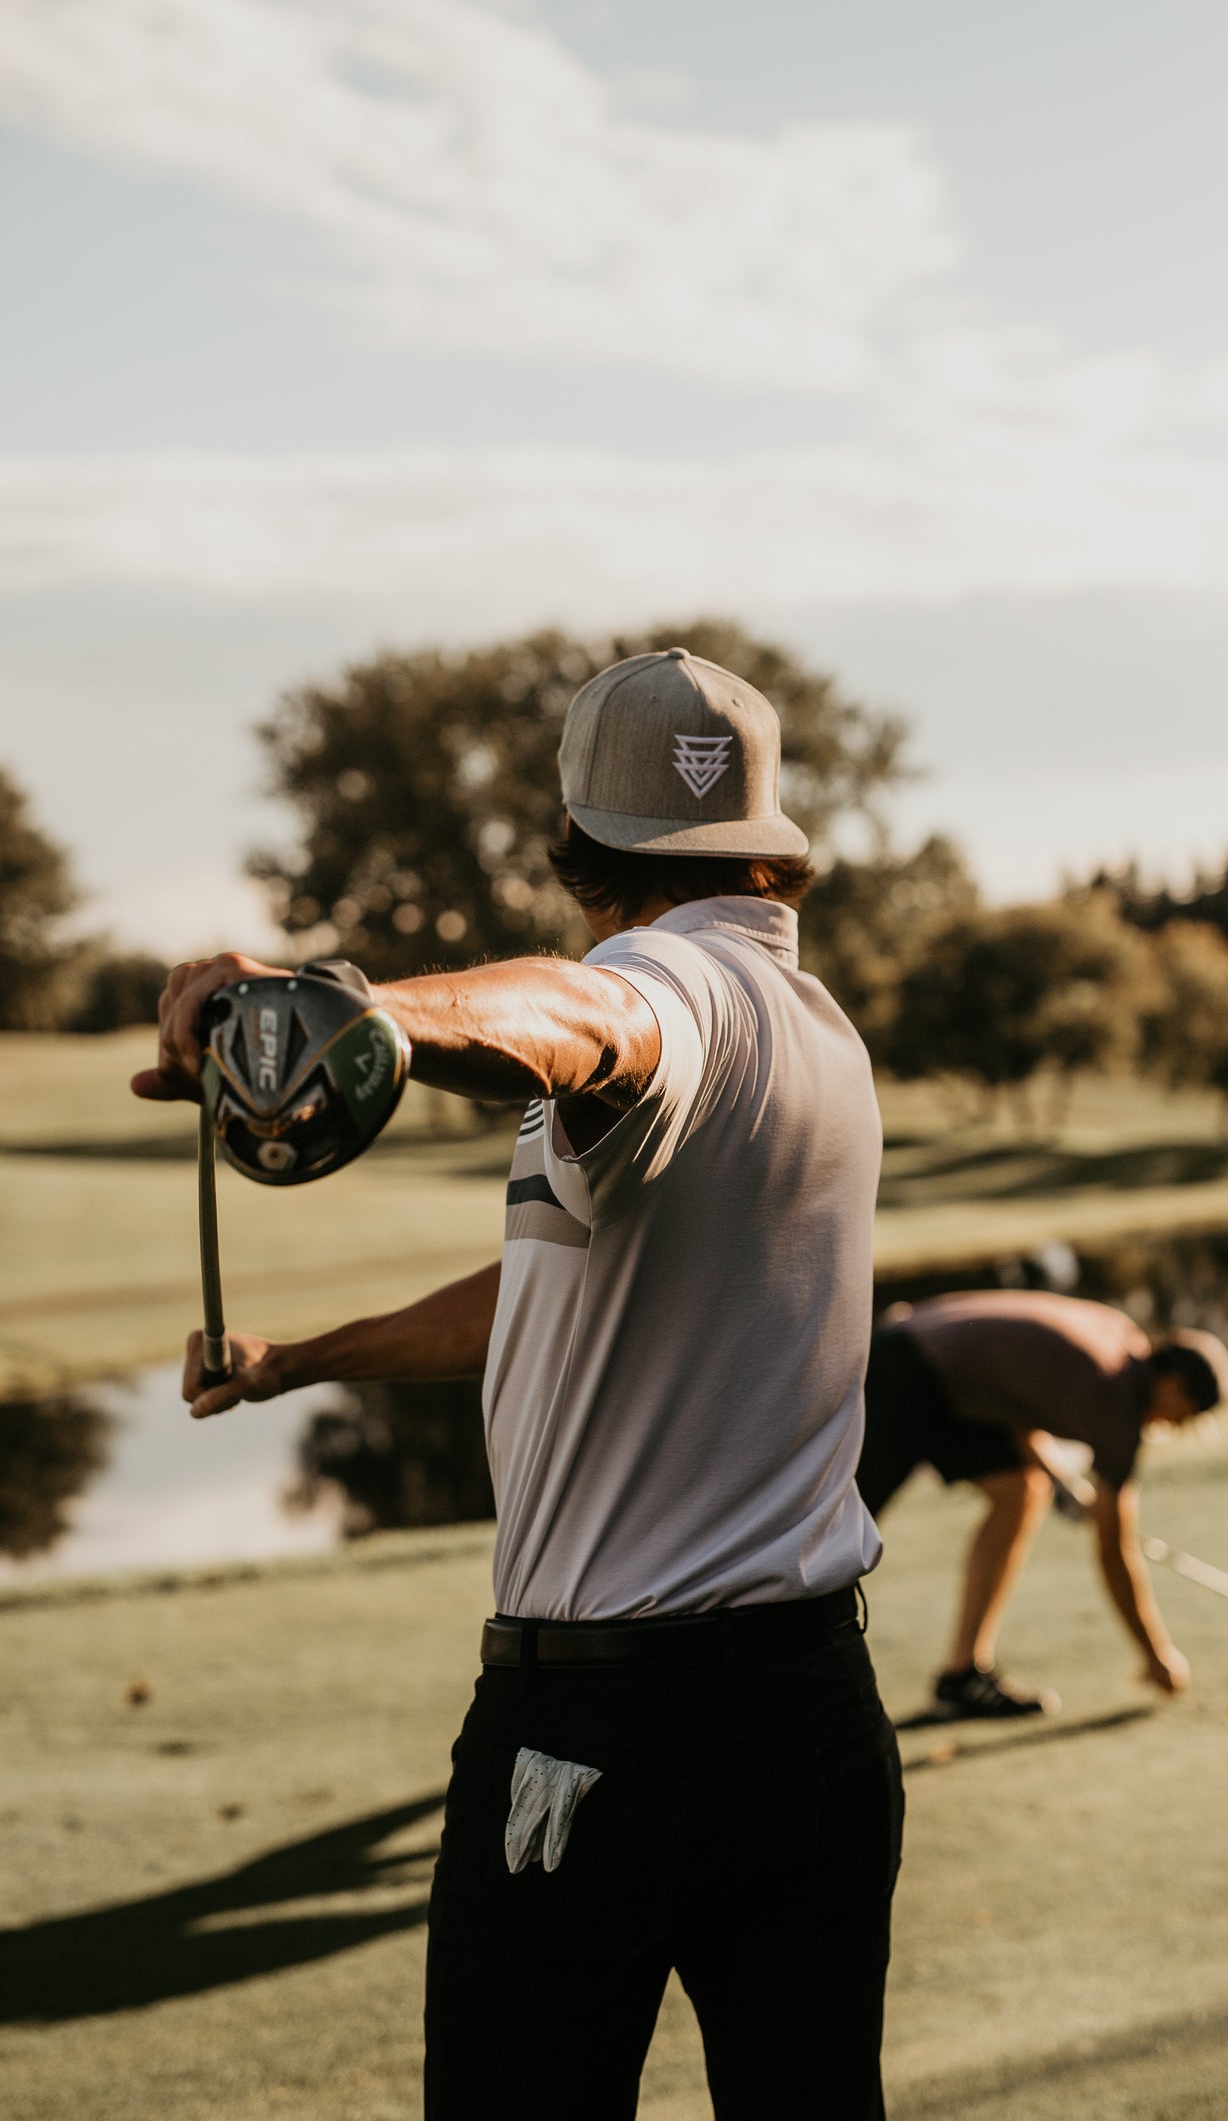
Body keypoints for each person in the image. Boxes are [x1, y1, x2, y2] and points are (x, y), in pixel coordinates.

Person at [135, 647, 903, 2121]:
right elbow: (546, 1297)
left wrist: (351, 1008)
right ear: (766, 833)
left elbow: (578, 1016)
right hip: (811, 1721)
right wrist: (300, 1361)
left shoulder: (659, 985)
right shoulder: (820, 1038)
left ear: (575, 837)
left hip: (602, 1738)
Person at [856, 1289, 1228, 1722]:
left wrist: (1061, 1481)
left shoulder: (1120, 1340)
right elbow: (1114, 1551)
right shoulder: (1119, 1401)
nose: (1176, 1426)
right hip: (905, 1370)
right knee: (839, 1529)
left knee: (1019, 1491)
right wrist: (1156, 1655)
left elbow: (1014, 1394)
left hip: (921, 1357)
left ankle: (963, 1676)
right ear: (1172, 1384)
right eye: (1185, 1414)